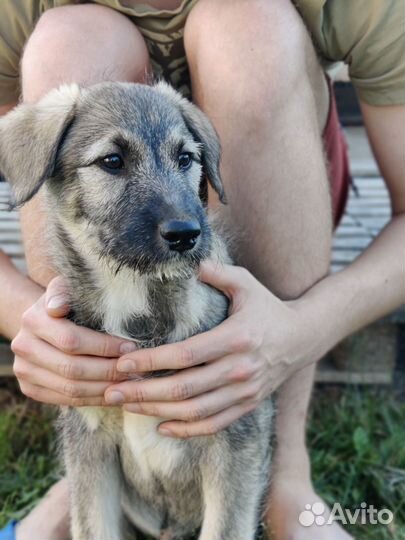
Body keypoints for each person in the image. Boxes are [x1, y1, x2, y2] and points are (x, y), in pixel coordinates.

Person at [0, 1, 403, 539]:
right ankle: (87, 466)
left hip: (285, 192)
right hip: (91, 265)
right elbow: (22, 145)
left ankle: (283, 474)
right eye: (113, 163)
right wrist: (29, 317)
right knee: (68, 36)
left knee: (244, 24)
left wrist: (302, 328)